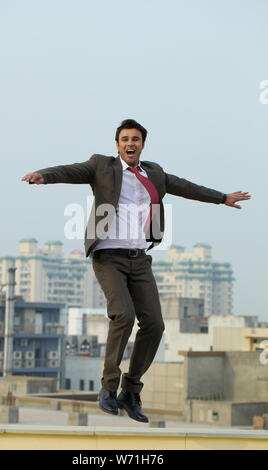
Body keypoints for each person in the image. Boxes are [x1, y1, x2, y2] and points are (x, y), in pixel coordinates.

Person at [21, 119, 251, 423]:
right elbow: (70, 171)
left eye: (136, 139)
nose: (131, 143)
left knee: (154, 324)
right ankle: (107, 387)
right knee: (124, 315)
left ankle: (130, 391)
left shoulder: (154, 174)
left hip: (139, 259)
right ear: (117, 144)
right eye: (125, 139)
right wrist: (44, 175)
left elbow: (186, 187)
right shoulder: (101, 166)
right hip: (108, 257)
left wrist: (222, 197)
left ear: (143, 144)